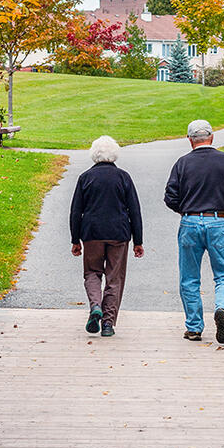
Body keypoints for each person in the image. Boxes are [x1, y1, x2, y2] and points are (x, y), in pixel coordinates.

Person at [164, 119, 224, 343]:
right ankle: (222, 309)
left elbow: (170, 197)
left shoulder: (182, 163)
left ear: (190, 140)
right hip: (219, 221)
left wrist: (186, 211)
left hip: (190, 223)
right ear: (212, 137)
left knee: (189, 278)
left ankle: (193, 328)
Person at [70, 135, 144, 337]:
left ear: (94, 154)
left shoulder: (85, 178)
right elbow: (134, 210)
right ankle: (108, 323)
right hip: (118, 234)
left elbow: (76, 211)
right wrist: (138, 241)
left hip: (92, 233)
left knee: (92, 272)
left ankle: (95, 306)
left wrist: (75, 240)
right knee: (115, 278)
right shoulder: (123, 177)